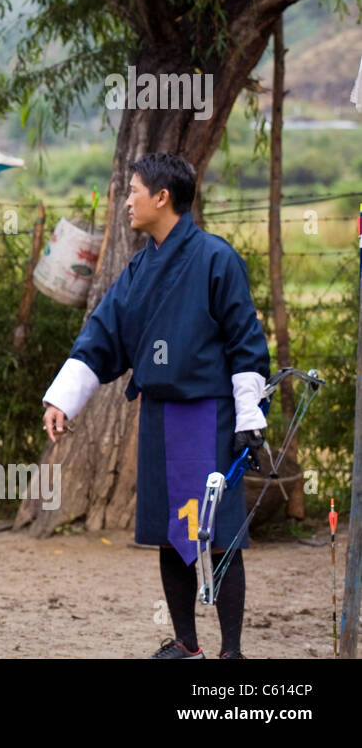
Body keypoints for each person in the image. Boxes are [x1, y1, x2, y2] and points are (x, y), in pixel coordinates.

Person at [41, 152, 270, 660]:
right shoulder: (139, 268)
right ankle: (187, 644)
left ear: (162, 197)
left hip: (212, 416)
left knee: (218, 534)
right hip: (160, 417)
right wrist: (64, 398)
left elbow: (246, 343)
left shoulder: (217, 258)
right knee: (173, 532)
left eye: (133, 190)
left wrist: (250, 420)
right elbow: (104, 332)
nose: (126, 201)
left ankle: (232, 652)